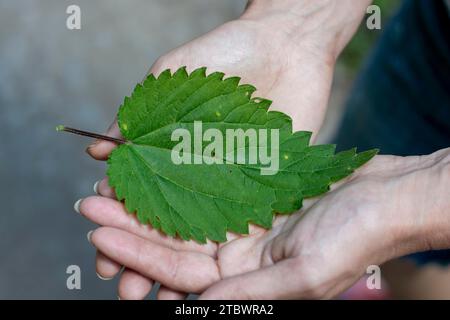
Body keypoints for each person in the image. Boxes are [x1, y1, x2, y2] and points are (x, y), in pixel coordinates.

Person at [74, 0, 450, 299]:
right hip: (436, 43)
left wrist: (417, 205)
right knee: (397, 236)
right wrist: (298, 20)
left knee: (409, 238)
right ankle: (391, 275)